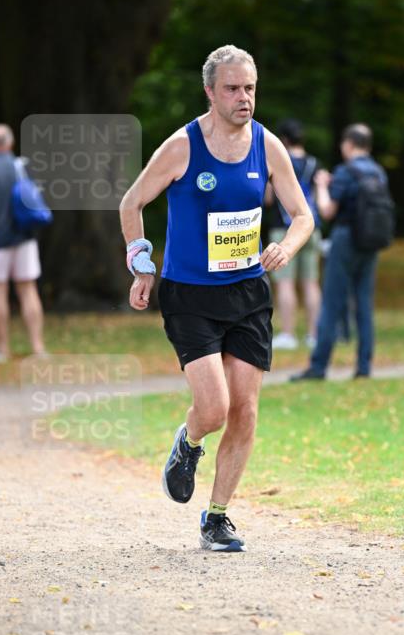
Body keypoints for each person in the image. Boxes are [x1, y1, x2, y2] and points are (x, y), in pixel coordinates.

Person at [119, 45, 313, 553]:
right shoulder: (183, 147)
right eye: (232, 88)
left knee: (245, 410)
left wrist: (285, 248)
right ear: (210, 91)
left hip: (248, 292)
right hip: (190, 295)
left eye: (249, 88)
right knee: (214, 408)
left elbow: (303, 215)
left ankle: (217, 517)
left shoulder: (268, 146)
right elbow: (132, 202)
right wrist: (141, 265)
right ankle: (189, 441)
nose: (243, 98)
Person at [291, 123, 386, 381]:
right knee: (364, 304)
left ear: (349, 144)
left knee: (332, 302)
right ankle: (364, 367)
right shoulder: (378, 172)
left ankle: (318, 366)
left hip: (345, 239)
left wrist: (322, 185)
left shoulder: (346, 171)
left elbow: (327, 210)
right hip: (370, 242)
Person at [264, 119, 322, 350]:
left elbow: (268, 199)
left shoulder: (279, 161)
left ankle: (288, 334)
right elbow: (315, 201)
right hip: (310, 229)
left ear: (284, 140)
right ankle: (313, 334)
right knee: (311, 282)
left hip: (283, 229)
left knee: (285, 283)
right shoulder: (314, 164)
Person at [0, 123, 47, 362]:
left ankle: (3, 349)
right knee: (28, 290)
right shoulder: (21, 167)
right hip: (24, 238)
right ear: (10, 143)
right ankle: (37, 348)